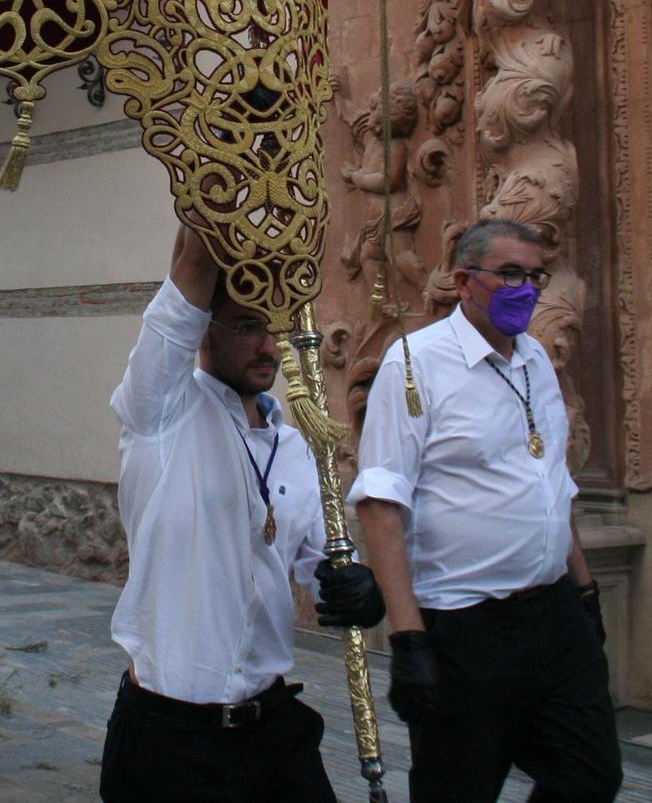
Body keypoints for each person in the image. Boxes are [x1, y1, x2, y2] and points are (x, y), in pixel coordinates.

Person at [101, 225, 385, 803]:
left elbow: (322, 567)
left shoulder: (300, 444)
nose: (267, 347)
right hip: (171, 737)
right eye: (248, 326)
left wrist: (357, 587)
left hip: (272, 728)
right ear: (205, 330)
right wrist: (222, 182)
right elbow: (188, 279)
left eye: (273, 329)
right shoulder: (161, 413)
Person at [349, 218, 622, 803]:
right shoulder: (414, 364)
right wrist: (409, 641)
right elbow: (380, 503)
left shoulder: (537, 362)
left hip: (554, 618)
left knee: (589, 776)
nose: (525, 288)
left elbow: (554, 484)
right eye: (510, 274)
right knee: (458, 789)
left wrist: (585, 592)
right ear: (463, 280)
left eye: (534, 275)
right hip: (465, 627)